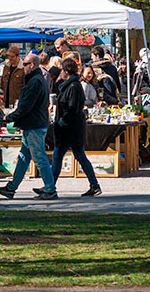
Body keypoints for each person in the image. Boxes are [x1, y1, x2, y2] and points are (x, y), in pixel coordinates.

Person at [0, 53, 57, 200]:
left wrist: (8, 118)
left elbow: (25, 106)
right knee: (24, 157)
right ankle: (11, 188)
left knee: (39, 158)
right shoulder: (38, 79)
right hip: (35, 124)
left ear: (32, 65)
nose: (22, 67)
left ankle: (50, 189)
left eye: (24, 64)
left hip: (34, 125)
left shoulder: (35, 81)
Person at [49, 57, 102, 197]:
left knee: (64, 157)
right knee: (65, 157)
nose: (61, 73)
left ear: (66, 71)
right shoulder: (72, 85)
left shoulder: (73, 87)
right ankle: (50, 186)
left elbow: (72, 108)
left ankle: (50, 187)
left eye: (62, 70)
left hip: (69, 129)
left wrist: (62, 121)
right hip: (70, 129)